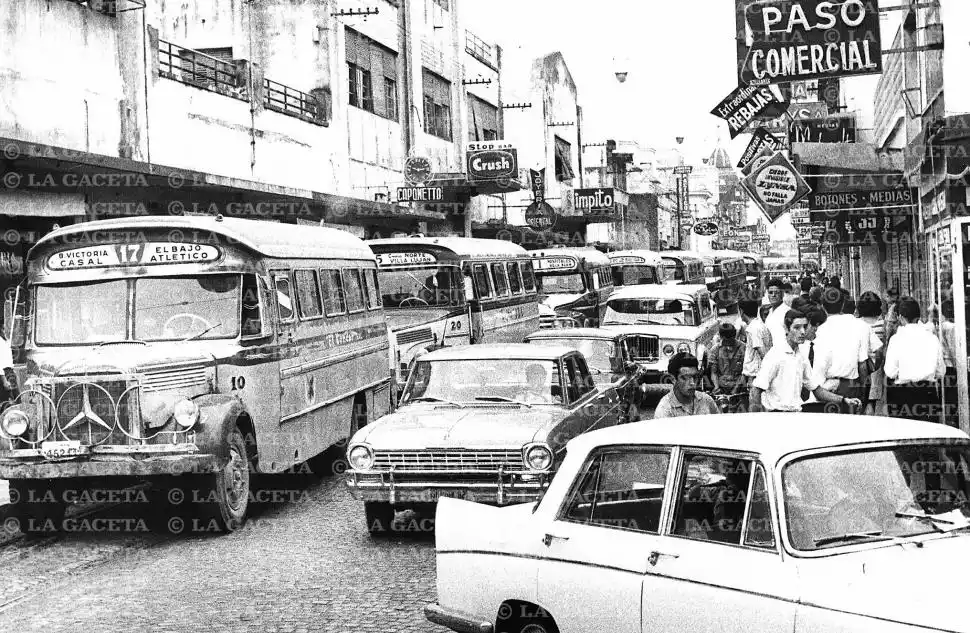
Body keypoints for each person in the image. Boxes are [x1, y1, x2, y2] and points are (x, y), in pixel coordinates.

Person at [751, 309, 861, 413]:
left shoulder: (801, 356)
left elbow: (816, 390)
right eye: (797, 327)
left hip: (796, 413)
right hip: (776, 414)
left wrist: (844, 400)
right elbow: (756, 390)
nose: (803, 332)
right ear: (786, 329)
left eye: (805, 326)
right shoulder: (775, 355)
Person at [811, 286, 872, 414]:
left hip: (828, 387)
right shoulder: (862, 326)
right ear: (843, 304)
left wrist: (820, 390)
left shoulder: (820, 331)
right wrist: (863, 394)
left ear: (823, 306)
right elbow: (863, 366)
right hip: (851, 386)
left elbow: (820, 365)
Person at [884, 297, 945, 424]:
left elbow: (890, 372)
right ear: (919, 316)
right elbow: (941, 372)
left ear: (901, 317)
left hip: (902, 396)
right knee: (929, 433)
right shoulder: (932, 338)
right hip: (927, 394)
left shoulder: (896, 339)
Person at [654, 352, 719, 419]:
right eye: (685, 378)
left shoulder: (706, 400)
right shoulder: (664, 410)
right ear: (673, 379)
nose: (692, 383)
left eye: (695, 377)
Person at [857, 291, 887, 416]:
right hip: (876, 367)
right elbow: (882, 347)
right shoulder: (882, 324)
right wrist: (877, 366)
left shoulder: (857, 323)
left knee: (861, 399)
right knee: (872, 400)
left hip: (860, 365)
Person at [740, 295, 771, 408]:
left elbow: (762, 352)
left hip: (756, 376)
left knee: (755, 407)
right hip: (758, 375)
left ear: (741, 311)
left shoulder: (753, 329)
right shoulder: (760, 325)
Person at [799, 308, 828, 413]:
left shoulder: (825, 346)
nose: (802, 330)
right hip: (798, 403)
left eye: (806, 326)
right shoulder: (797, 347)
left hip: (820, 401)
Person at [710, 323, 745, 398]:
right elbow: (713, 372)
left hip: (740, 388)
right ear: (721, 337)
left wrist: (735, 389)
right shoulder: (715, 350)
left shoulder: (743, 348)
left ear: (734, 336)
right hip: (721, 388)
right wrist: (716, 387)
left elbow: (745, 372)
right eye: (725, 340)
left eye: (730, 340)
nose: (728, 343)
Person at [0, 332, 16, 404]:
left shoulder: (5, 340)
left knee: (12, 398)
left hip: (9, 372)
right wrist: (4, 380)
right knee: (5, 399)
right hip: (3, 374)